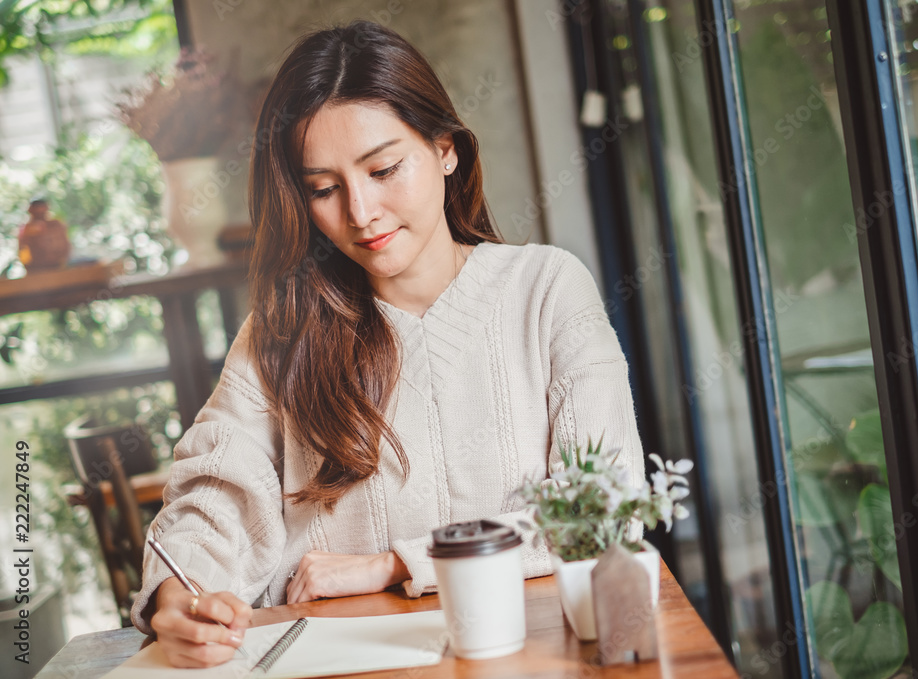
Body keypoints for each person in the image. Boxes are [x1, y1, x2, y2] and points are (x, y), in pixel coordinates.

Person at [132, 19, 644, 668]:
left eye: (383, 169)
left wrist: (393, 564)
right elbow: (217, 489)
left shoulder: (546, 290)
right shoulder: (282, 327)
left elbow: (605, 509)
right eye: (323, 188)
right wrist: (180, 591)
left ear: (446, 149)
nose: (361, 211)